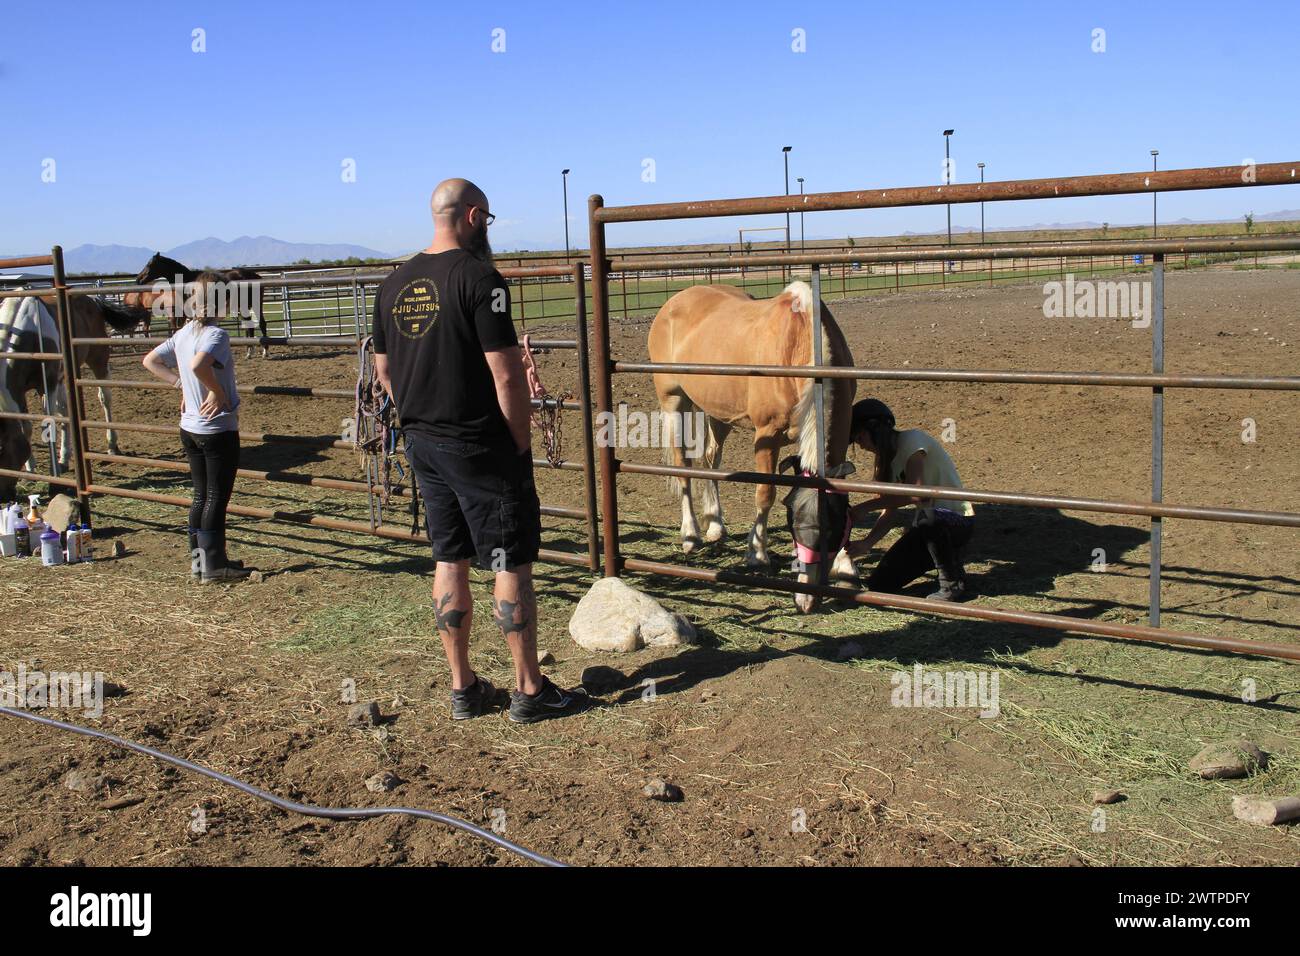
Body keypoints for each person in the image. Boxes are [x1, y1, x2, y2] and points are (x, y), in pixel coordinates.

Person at [372, 178, 588, 723]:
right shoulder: (479, 278)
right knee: (508, 559)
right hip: (480, 443)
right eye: (487, 221)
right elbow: (507, 374)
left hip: (423, 441)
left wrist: (420, 415)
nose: (487, 232)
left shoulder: (393, 282)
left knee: (450, 557)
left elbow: (383, 372)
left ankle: (463, 687)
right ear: (472, 216)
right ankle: (529, 690)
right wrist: (517, 442)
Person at [142, 272, 252, 584]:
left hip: (189, 427)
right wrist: (216, 390)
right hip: (216, 428)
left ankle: (200, 561)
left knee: (201, 495)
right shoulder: (216, 335)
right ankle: (215, 566)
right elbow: (198, 366)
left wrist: (181, 386)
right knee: (216, 496)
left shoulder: (183, 333)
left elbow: (150, 360)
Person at [846, 398, 974, 600]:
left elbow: (917, 493)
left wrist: (866, 507)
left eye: (859, 437)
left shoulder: (913, 440)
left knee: (927, 516)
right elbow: (889, 511)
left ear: (875, 428)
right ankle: (951, 564)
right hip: (926, 530)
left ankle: (951, 584)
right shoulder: (884, 464)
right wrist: (867, 543)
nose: (860, 446)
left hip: (955, 519)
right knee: (880, 584)